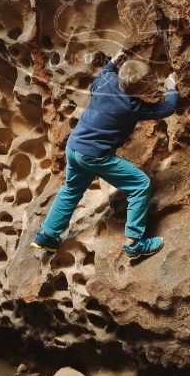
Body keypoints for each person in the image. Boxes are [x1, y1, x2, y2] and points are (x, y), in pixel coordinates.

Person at [32, 49, 178, 259]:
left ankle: (47, 236)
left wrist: (113, 60)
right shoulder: (132, 107)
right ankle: (134, 242)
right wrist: (172, 87)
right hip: (95, 155)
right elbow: (167, 109)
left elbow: (106, 70)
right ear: (142, 89)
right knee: (140, 184)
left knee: (71, 189)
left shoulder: (105, 82)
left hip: (74, 147)